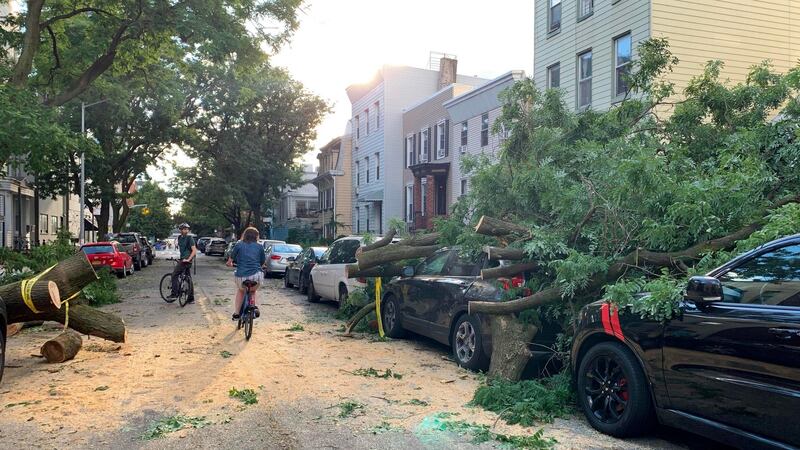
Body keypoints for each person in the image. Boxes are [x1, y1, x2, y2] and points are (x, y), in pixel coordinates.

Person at [226, 227, 265, 320]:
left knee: (240, 291)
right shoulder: (260, 246)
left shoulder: (239, 245)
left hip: (241, 276)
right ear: (256, 236)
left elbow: (230, 260)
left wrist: (230, 263)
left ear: (245, 235)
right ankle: (253, 306)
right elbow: (262, 262)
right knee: (253, 290)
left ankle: (236, 313)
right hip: (256, 276)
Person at [170, 223, 197, 302]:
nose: (186, 230)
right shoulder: (179, 238)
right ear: (180, 230)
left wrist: (188, 259)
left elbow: (194, 251)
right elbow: (183, 250)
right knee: (188, 279)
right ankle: (191, 298)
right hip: (183, 259)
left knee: (174, 275)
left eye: (187, 229)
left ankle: (174, 293)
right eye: (184, 229)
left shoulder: (190, 238)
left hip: (187, 261)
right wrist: (180, 259)